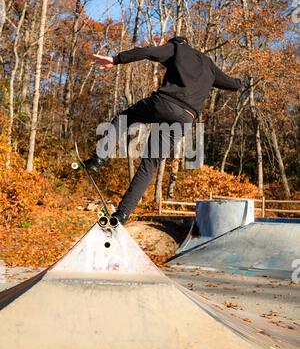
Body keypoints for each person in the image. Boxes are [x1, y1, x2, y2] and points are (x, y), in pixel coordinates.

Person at [83, 36, 244, 224]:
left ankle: (98, 158)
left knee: (124, 118)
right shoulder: (208, 64)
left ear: (176, 42)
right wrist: (244, 82)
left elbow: (147, 51)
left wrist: (115, 59)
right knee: (149, 164)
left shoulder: (177, 49)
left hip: (165, 103)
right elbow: (232, 84)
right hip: (186, 117)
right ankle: (123, 214)